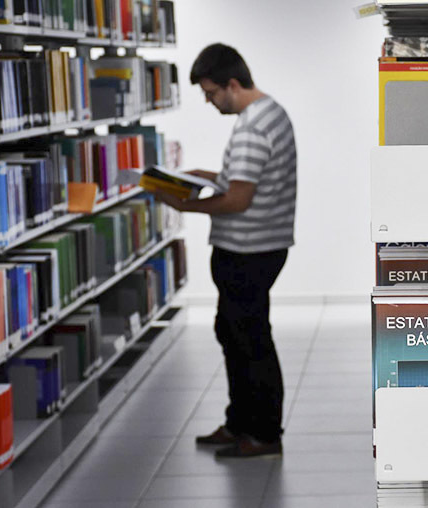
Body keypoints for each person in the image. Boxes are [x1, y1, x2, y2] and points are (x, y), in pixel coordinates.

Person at [151, 43, 297, 458]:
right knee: (234, 333)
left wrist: (185, 204)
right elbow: (248, 179)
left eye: (212, 93)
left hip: (249, 251)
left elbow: (238, 200)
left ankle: (262, 433)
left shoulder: (252, 126)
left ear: (233, 84)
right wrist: (203, 176)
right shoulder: (270, 112)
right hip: (259, 247)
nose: (209, 102)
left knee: (249, 340)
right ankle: (240, 423)